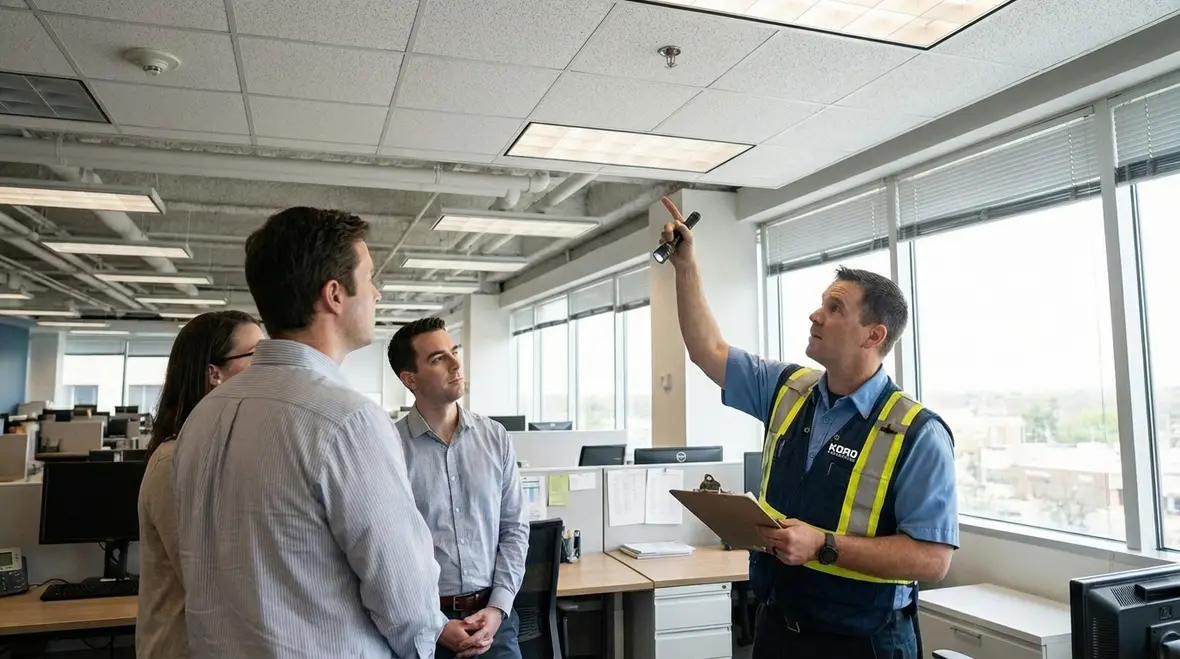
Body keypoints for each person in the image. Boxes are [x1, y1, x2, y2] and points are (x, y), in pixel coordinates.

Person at [658, 197, 957, 659]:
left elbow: (933, 559)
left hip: (864, 640)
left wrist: (823, 545)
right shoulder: (788, 389)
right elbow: (708, 351)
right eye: (821, 304)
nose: (816, 315)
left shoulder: (916, 433)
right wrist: (685, 267)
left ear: (873, 335)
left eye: (835, 308)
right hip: (779, 626)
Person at [173, 206, 471, 659]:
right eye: (369, 277)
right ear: (334, 294)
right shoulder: (347, 420)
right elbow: (405, 596)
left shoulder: (204, 416)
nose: (377, 292)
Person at [387, 317, 528, 659]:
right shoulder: (389, 447)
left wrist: (498, 608)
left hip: (494, 623)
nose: (456, 364)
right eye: (438, 359)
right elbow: (386, 551)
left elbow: (514, 530)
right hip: (423, 627)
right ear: (410, 379)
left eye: (454, 352)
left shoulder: (495, 437)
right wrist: (434, 624)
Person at [136, 310, 263, 659]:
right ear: (214, 374)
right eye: (257, 356)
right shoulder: (174, 462)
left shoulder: (227, 450)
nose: (270, 366)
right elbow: (212, 578)